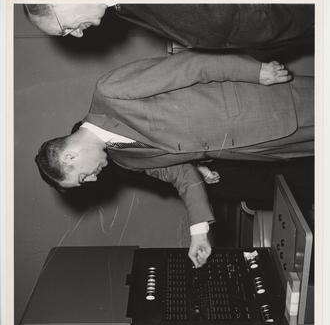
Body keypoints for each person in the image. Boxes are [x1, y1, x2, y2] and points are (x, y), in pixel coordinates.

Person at [35, 51, 314, 268]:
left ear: (70, 155)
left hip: (266, 103)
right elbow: (183, 175)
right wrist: (198, 232)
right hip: (259, 148)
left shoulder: (110, 93)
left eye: (83, 177)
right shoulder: (125, 160)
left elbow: (192, 66)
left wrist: (256, 71)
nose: (93, 179)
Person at [24, 3, 314, 50]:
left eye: (65, 28)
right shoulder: (120, 9)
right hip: (268, 31)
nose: (77, 33)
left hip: (279, 13)